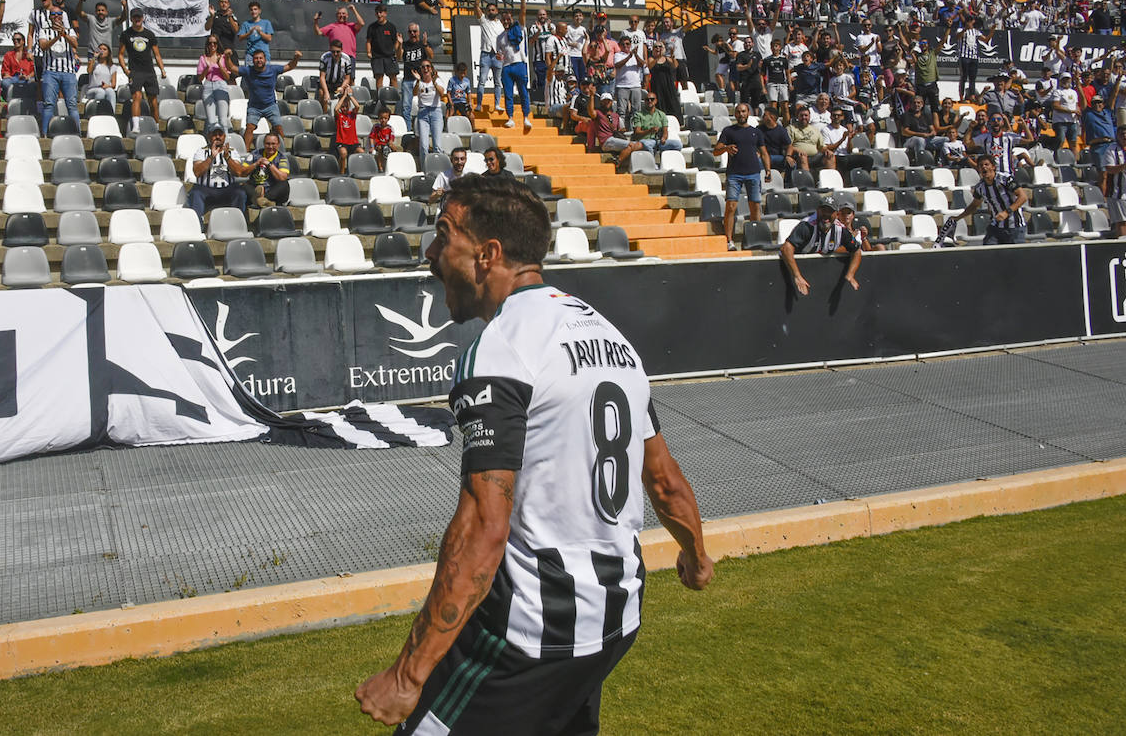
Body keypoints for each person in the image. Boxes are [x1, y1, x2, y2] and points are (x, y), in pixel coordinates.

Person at [358, 175, 712, 732]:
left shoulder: (502, 348)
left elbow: (482, 526)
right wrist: (694, 555)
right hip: (617, 617)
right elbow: (663, 479)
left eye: (443, 236)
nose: (430, 254)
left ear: (487, 254)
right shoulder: (614, 340)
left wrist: (407, 676)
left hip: (532, 631)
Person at [714, 103, 772, 252]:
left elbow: (764, 152)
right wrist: (726, 148)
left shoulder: (756, 132)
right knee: (731, 206)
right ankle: (729, 240)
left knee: (755, 207)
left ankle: (755, 237)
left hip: (753, 173)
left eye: (744, 111)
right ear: (735, 114)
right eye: (738, 112)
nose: (741, 114)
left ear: (748, 113)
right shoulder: (728, 131)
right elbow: (716, 151)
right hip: (734, 174)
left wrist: (768, 170)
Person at [779, 201, 863, 296]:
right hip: (791, 269)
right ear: (817, 211)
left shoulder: (840, 230)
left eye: (830, 212)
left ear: (837, 214)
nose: (826, 215)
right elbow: (785, 248)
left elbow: (856, 250)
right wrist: (797, 276)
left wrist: (850, 275)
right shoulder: (807, 226)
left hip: (817, 274)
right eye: (823, 211)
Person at [955, 156, 1027, 245]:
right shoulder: (980, 187)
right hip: (995, 226)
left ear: (993, 167)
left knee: (1015, 256)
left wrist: (1006, 212)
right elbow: (974, 205)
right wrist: (957, 218)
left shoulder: (1005, 179)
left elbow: (1023, 197)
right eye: (981, 165)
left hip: (1014, 226)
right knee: (989, 252)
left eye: (986, 164)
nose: (984, 167)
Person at [238, 48, 301, 147]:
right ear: (253, 60)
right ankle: (245, 152)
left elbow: (290, 66)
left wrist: (296, 58)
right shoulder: (248, 70)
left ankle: (281, 150)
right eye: (256, 58)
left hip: (270, 105)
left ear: (265, 59)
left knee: (278, 127)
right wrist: (228, 58)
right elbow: (232, 68)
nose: (259, 60)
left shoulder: (273, 69)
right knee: (249, 127)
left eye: (261, 58)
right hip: (254, 107)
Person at [187, 127, 249, 220]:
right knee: (195, 193)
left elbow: (238, 172)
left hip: (227, 189)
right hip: (205, 189)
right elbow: (197, 172)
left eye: (220, 134)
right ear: (209, 136)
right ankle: (197, 225)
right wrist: (211, 157)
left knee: (240, 192)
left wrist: (228, 158)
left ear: (224, 136)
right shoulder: (201, 151)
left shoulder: (232, 151)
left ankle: (237, 222)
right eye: (214, 134)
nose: (217, 137)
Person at [120, 8, 167, 123]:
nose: (137, 19)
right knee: (137, 96)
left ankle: (155, 126)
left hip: (149, 71)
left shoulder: (149, 34)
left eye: (139, 17)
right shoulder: (126, 34)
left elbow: (157, 54)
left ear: (143, 18)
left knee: (153, 101)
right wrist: (125, 70)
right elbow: (120, 54)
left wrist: (162, 69)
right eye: (135, 17)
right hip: (135, 71)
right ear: (131, 18)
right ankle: (136, 126)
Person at [37, 6, 80, 131]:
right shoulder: (44, 31)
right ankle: (45, 133)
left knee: (72, 105)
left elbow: (75, 44)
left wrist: (64, 35)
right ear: (50, 17)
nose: (56, 16)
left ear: (62, 16)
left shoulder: (70, 30)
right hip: (50, 72)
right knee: (49, 104)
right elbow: (43, 46)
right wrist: (56, 37)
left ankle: (77, 133)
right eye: (53, 14)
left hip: (68, 72)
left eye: (59, 14)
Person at [496, 3, 533, 132]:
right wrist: (498, 56)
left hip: (519, 64)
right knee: (508, 94)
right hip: (506, 67)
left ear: (512, 19)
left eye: (508, 19)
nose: (506, 22)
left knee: (523, 92)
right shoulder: (499, 37)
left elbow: (523, 12)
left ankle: (526, 117)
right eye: (504, 20)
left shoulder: (519, 28)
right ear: (501, 21)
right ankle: (510, 118)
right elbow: (499, 52)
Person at [196, 37, 235, 131]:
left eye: (215, 43)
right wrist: (206, 68)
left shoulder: (223, 57)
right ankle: (213, 143)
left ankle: (224, 143)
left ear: (218, 44)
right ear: (207, 45)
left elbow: (227, 77)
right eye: (210, 43)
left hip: (221, 85)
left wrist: (219, 64)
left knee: (223, 121)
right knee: (211, 121)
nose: (212, 45)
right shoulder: (203, 58)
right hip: (208, 85)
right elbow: (200, 78)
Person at [242, 133, 291, 208]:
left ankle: (262, 199)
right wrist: (255, 164)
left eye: (273, 144)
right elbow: (243, 172)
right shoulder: (254, 154)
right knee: (243, 185)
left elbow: (282, 177)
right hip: (255, 188)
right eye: (268, 144)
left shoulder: (282, 158)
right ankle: (265, 201)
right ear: (264, 144)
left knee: (284, 184)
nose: (270, 147)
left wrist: (269, 164)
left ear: (278, 145)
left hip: (272, 190)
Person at [415, 62, 449, 168]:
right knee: (424, 145)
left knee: (437, 145)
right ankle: (425, 169)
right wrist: (417, 80)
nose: (425, 69)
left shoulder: (438, 80)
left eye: (428, 66)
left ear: (431, 69)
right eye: (423, 67)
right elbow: (414, 93)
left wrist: (434, 82)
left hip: (436, 112)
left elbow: (442, 93)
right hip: (423, 113)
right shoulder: (419, 82)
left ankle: (437, 167)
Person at [631, 91, 682, 155]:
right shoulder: (638, 115)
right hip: (645, 140)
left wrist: (664, 138)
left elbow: (665, 131)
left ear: (656, 101)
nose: (649, 101)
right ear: (644, 101)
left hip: (658, 141)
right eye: (647, 99)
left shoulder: (661, 114)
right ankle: (652, 163)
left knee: (678, 144)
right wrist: (649, 131)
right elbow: (637, 133)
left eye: (652, 99)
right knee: (647, 145)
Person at [475, 0, 504, 112]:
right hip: (486, 54)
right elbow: (476, 6)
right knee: (482, 80)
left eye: (493, 10)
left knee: (498, 82)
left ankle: (497, 104)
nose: (491, 12)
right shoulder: (483, 21)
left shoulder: (500, 25)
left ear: (497, 11)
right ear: (486, 12)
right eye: (489, 10)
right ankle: (479, 104)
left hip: (497, 55)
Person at [1104, 125, 1126, 237]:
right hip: (1118, 193)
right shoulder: (1111, 149)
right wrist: (1123, 166)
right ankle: (1124, 248)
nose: (1125, 136)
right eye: (1122, 134)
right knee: (1123, 223)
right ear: (1117, 136)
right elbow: (1109, 169)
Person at [365, 4, 400, 90]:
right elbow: (368, 41)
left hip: (390, 56)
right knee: (379, 78)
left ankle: (393, 98)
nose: (379, 15)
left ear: (385, 13)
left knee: (393, 78)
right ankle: (380, 99)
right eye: (377, 13)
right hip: (377, 57)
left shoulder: (391, 27)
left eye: (381, 12)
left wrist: (394, 52)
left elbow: (395, 42)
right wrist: (369, 52)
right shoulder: (372, 27)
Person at [318, 40, 355, 113]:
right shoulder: (324, 57)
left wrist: (342, 87)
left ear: (341, 50)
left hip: (340, 83)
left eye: (338, 52)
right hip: (327, 83)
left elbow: (347, 78)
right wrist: (326, 92)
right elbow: (322, 77)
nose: (335, 54)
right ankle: (324, 114)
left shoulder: (346, 59)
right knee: (322, 93)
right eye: (333, 51)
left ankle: (345, 115)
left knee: (349, 91)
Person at [332, 88, 363, 172]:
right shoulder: (339, 116)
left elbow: (357, 106)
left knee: (362, 152)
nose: (344, 108)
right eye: (343, 107)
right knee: (343, 153)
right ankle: (341, 172)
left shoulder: (352, 114)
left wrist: (350, 96)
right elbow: (336, 109)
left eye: (346, 107)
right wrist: (344, 96)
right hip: (342, 142)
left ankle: (356, 170)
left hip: (353, 142)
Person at [236, 0, 274, 66]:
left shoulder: (266, 23)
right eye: (251, 10)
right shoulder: (246, 24)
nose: (253, 11)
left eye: (255, 9)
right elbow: (240, 38)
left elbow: (269, 38)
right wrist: (249, 33)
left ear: (259, 11)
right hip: (250, 55)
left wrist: (260, 32)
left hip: (264, 55)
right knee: (249, 75)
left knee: (264, 75)